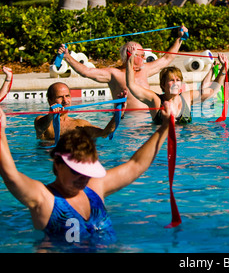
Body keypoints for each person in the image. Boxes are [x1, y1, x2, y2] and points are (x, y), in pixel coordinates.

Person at [0, 101, 172, 244]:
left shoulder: (95, 187)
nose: (83, 178)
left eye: (87, 172)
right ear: (58, 165)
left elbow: (136, 164)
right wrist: (0, 132)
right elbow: (11, 175)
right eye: (77, 171)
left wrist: (165, 127)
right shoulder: (45, 199)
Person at [57, 25, 189, 110]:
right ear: (130, 56)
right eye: (141, 55)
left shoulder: (145, 69)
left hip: (149, 119)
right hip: (127, 123)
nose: (144, 58)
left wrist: (180, 39)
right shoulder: (114, 74)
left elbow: (167, 58)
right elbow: (86, 72)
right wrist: (67, 57)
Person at [126, 45, 229, 124]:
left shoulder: (187, 97)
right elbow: (131, 85)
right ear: (163, 85)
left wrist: (224, 68)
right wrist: (130, 59)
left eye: (178, 80)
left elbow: (212, 91)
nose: (175, 83)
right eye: (171, 80)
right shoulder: (155, 100)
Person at [34, 82, 125, 141]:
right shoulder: (42, 121)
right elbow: (41, 127)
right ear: (50, 101)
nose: (65, 101)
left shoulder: (79, 124)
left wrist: (119, 113)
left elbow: (104, 133)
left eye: (67, 96)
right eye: (60, 97)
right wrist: (51, 115)